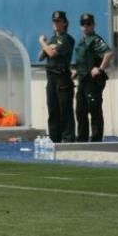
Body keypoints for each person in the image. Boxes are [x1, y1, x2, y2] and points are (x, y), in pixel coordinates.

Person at [72, 13, 114, 142]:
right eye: (83, 24)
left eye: (88, 24)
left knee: (94, 110)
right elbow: (80, 61)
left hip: (93, 81)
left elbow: (108, 53)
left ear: (93, 25)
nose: (86, 27)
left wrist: (100, 68)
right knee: (80, 110)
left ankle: (96, 139)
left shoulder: (95, 40)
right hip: (83, 80)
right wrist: (75, 72)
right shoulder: (81, 42)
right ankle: (82, 138)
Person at [39, 11, 75, 143]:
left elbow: (52, 54)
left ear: (64, 23)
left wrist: (42, 42)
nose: (56, 24)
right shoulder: (53, 39)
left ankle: (68, 137)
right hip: (51, 78)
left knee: (64, 108)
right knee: (52, 108)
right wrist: (46, 45)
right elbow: (41, 56)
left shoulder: (67, 39)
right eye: (54, 21)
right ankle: (54, 137)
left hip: (62, 77)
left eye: (59, 21)